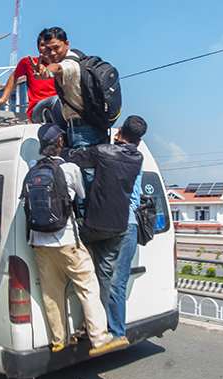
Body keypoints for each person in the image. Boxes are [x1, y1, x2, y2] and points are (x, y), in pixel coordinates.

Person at [29, 123, 128, 356]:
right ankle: (99, 338)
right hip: (66, 240)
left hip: (39, 242)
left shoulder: (32, 168)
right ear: (60, 143)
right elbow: (82, 195)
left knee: (51, 293)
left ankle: (59, 340)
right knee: (88, 286)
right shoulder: (70, 169)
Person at [63, 116, 146, 312]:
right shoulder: (138, 158)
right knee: (106, 274)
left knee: (70, 235)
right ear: (139, 142)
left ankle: (93, 317)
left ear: (120, 130)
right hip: (120, 227)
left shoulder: (103, 152)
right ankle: (102, 320)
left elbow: (75, 157)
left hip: (97, 226)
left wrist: (62, 147)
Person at [29, 27, 108, 151]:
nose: (52, 53)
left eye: (56, 48)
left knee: (84, 170)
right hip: (98, 127)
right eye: (48, 49)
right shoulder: (79, 57)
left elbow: (59, 68)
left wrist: (46, 72)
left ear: (67, 44)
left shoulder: (70, 64)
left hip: (82, 132)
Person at [0, 30, 66, 127]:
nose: (46, 49)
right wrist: (3, 99)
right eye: (43, 45)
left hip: (60, 108)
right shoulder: (28, 63)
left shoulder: (63, 65)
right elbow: (14, 76)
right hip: (37, 110)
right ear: (38, 47)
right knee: (55, 101)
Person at [106, 157, 142, 340]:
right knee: (109, 279)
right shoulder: (137, 160)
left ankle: (117, 333)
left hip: (124, 224)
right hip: (125, 224)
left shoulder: (127, 161)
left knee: (116, 282)